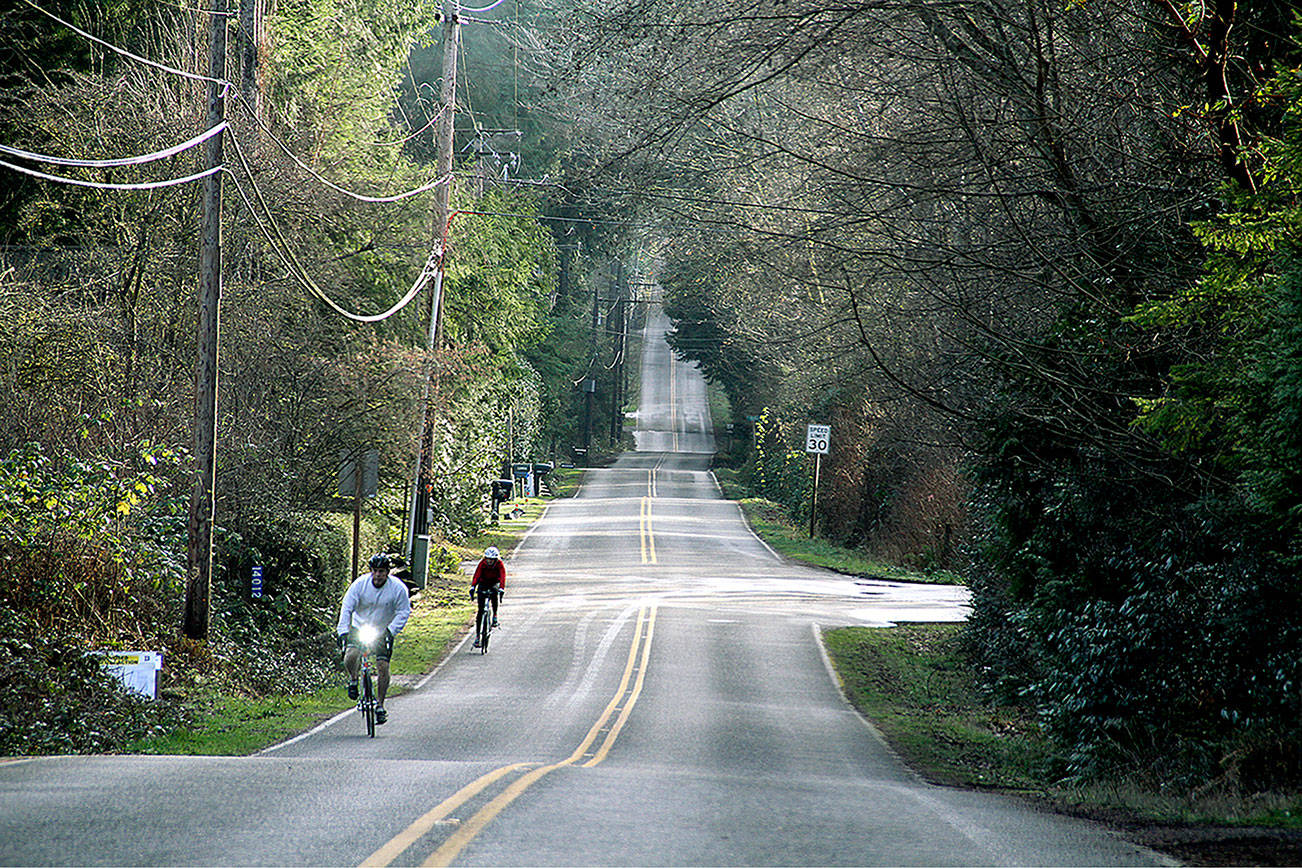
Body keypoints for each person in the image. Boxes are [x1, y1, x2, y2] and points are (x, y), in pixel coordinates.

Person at [337, 553, 411, 725]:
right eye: (375, 571)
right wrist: (342, 632)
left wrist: (391, 631)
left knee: (383, 666)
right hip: (359, 626)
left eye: (382, 571)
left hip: (383, 630)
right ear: (371, 571)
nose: (378, 575)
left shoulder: (398, 588)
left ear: (388, 572)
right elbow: (347, 608)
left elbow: (403, 612)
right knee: (350, 655)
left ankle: (380, 705)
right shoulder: (359, 585)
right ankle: (354, 680)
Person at [470, 546, 506, 647]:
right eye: (488, 559)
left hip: (494, 583)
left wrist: (502, 588)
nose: (489, 562)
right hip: (483, 583)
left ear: (495, 559)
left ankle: (494, 615)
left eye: (492, 560)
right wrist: (473, 587)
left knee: (494, 595)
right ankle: (477, 637)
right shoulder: (482, 563)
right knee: (480, 611)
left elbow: (503, 576)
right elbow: (477, 575)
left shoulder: (499, 564)